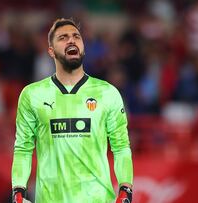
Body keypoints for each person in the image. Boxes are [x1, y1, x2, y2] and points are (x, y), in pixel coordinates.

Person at [11, 18, 133, 203]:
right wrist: (18, 190)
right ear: (51, 51)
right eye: (63, 37)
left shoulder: (107, 93)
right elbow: (23, 149)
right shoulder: (32, 95)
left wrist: (126, 189)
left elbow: (121, 147)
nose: (71, 40)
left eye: (76, 36)